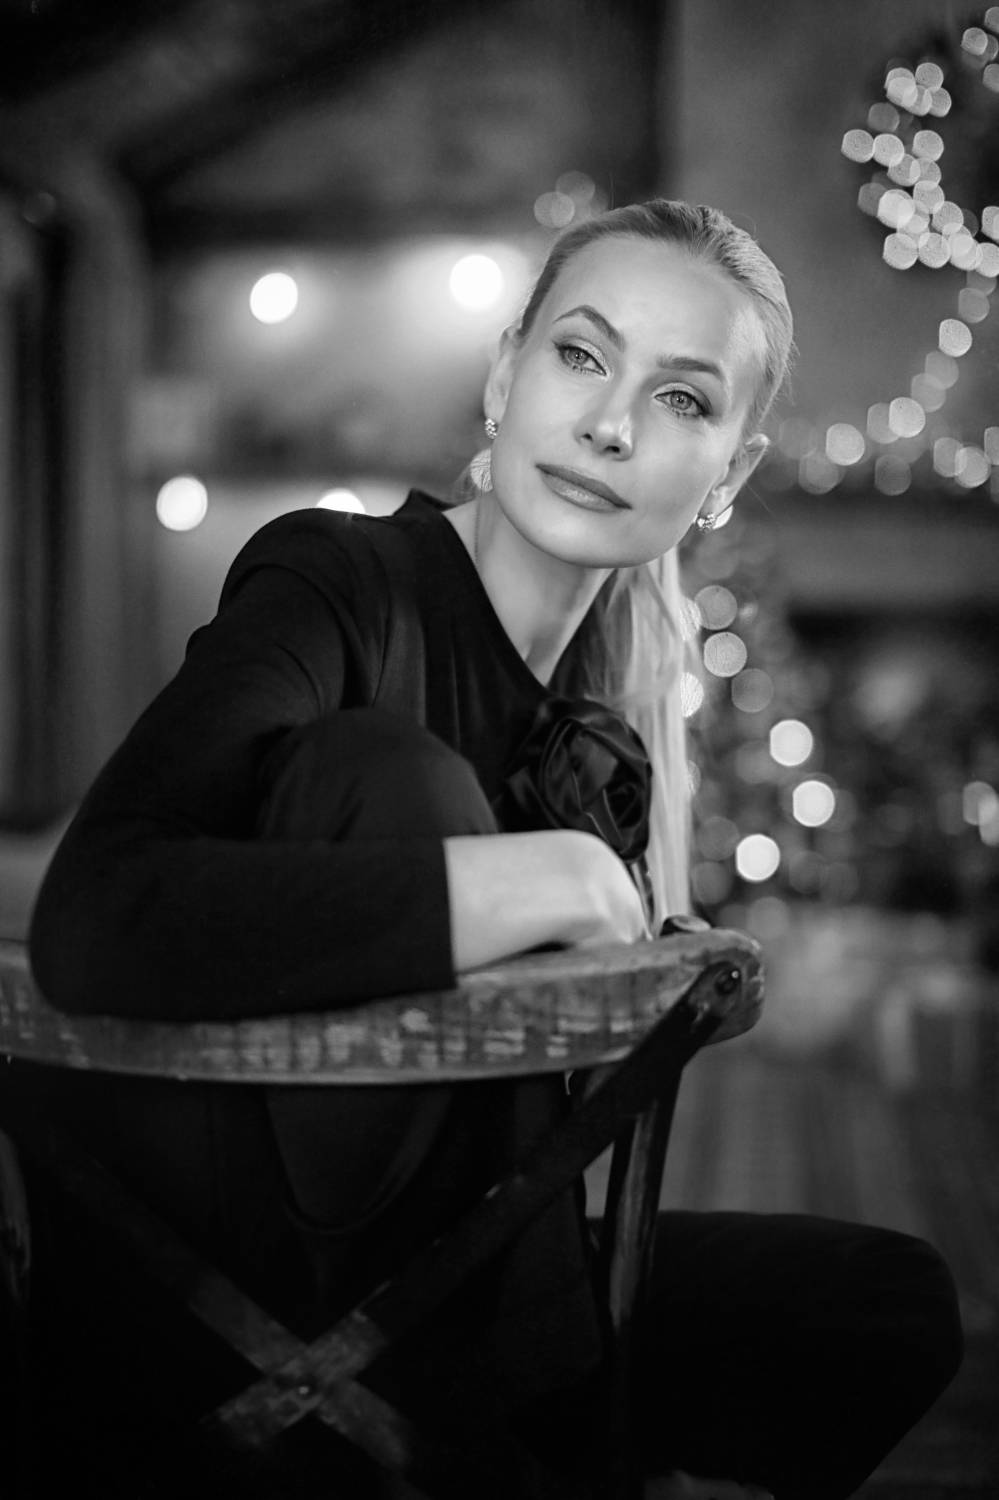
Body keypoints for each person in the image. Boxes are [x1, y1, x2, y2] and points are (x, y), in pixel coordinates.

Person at [27, 200, 961, 1498]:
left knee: (878, 1306)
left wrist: (648, 970)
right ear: (504, 376)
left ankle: (526, 1426)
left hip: (467, 1276)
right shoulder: (339, 580)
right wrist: (539, 879)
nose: (612, 425)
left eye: (681, 399)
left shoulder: (602, 724)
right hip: (235, 1294)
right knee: (391, 777)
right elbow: (94, 916)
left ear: (729, 473)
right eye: (581, 356)